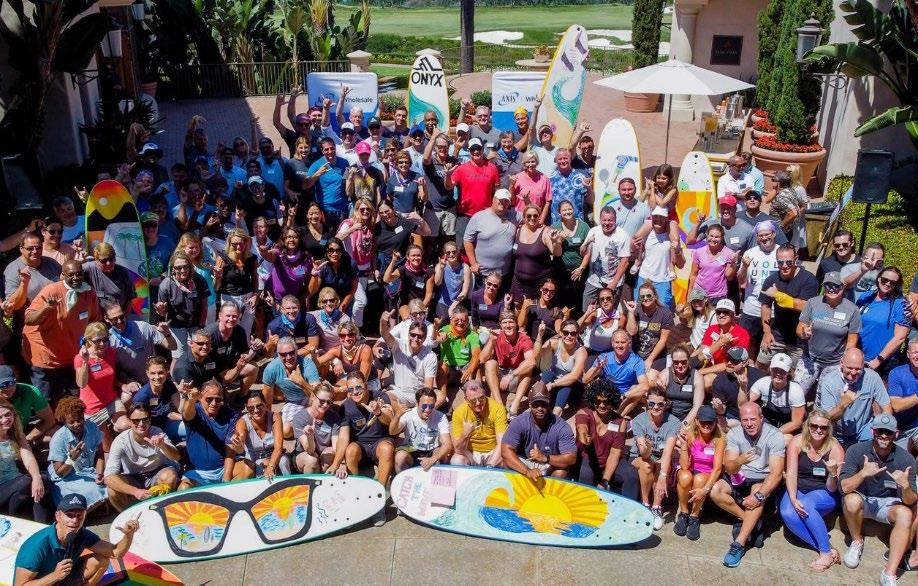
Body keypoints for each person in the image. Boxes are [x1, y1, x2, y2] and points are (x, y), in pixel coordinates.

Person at [840, 414, 916, 585]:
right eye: (879, 431)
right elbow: (844, 487)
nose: (883, 436)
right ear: (872, 431)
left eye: (888, 432)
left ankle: (889, 572)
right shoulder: (856, 450)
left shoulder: (906, 459)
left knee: (905, 514)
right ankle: (857, 541)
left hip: (888, 503)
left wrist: (905, 486)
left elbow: (911, 501)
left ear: (896, 434)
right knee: (850, 500)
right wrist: (863, 473)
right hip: (862, 499)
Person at [711, 402, 786, 568]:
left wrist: (759, 496)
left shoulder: (774, 436)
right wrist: (739, 460)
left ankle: (739, 543)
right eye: (745, 420)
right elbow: (730, 468)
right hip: (739, 475)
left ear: (761, 418)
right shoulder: (735, 434)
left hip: (762, 478)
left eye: (753, 419)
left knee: (756, 492)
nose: (749, 424)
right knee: (716, 490)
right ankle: (751, 522)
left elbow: (776, 473)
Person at [13, 493, 139, 586]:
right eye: (70, 515)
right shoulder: (37, 547)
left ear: (85, 516)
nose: (75, 521)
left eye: (79, 515)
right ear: (58, 516)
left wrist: (128, 535)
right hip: (44, 582)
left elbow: (115, 552)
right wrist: (54, 576)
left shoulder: (81, 534)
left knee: (101, 560)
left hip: (63, 577)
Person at [23, 260, 101, 400]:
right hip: (47, 356)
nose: (76, 278)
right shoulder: (51, 291)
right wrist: (46, 308)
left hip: (71, 355)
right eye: (71, 274)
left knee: (76, 398)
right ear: (63, 275)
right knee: (48, 401)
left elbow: (94, 322)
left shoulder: (89, 292)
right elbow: (29, 320)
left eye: (79, 274)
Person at [780, 410, 845, 572]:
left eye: (823, 427)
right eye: (814, 426)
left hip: (825, 492)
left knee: (807, 505)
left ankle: (825, 553)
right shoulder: (797, 442)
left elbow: (832, 487)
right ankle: (828, 549)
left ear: (828, 429)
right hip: (800, 488)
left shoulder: (835, 449)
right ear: (807, 426)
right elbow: (792, 473)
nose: (818, 430)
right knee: (788, 512)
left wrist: (832, 473)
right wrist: (793, 498)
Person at [102, 402, 180, 511]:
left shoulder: (157, 432)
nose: (141, 424)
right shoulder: (121, 441)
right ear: (129, 421)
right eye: (136, 421)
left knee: (170, 476)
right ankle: (129, 516)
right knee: (112, 490)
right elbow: (108, 477)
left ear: (150, 419)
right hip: (133, 477)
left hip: (156, 473)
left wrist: (163, 445)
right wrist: (135, 491)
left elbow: (176, 457)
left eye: (145, 419)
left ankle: (163, 509)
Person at [341, 371, 396, 524]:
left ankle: (378, 499)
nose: (355, 392)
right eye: (350, 389)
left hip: (380, 441)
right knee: (350, 450)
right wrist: (339, 462)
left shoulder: (380, 397)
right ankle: (357, 496)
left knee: (386, 448)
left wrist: (378, 412)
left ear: (366, 385)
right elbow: (344, 437)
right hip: (361, 445)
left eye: (358, 387)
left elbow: (390, 421)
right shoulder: (346, 406)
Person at [795, 271, 862, 396]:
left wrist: (844, 363)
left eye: (836, 285)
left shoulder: (853, 310)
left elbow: (852, 341)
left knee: (825, 397)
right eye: (827, 285)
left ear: (843, 287)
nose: (831, 289)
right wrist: (804, 333)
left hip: (834, 364)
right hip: (809, 359)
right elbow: (800, 329)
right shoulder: (812, 303)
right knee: (797, 394)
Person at [757, 244, 819, 370]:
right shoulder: (771, 280)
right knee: (761, 364)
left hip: (799, 338)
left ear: (796, 258)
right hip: (776, 334)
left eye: (789, 262)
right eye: (780, 263)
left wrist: (778, 296)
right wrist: (766, 332)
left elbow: (806, 306)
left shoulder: (809, 279)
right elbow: (765, 306)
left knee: (795, 372)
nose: (784, 266)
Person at [574, 379, 640, 497]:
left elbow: (615, 453)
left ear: (612, 401)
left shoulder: (620, 422)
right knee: (586, 474)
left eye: (606, 402)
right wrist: (583, 435)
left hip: (608, 463)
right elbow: (581, 426)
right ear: (592, 399)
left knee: (631, 473)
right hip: (587, 460)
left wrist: (605, 481)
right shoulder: (584, 412)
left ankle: (629, 506)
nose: (602, 405)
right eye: (598, 401)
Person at [816, 348, 892, 447]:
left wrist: (883, 431)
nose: (853, 372)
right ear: (841, 363)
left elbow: (887, 408)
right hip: (837, 432)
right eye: (849, 368)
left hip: (864, 429)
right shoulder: (829, 381)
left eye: (858, 369)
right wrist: (843, 405)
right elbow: (826, 418)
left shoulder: (873, 377)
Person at [500, 386, 577, 480]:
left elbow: (571, 458)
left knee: (561, 472)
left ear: (549, 404)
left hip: (548, 464)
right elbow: (506, 451)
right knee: (506, 462)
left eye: (543, 404)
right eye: (535, 405)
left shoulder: (562, 427)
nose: (540, 408)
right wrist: (527, 471)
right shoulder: (519, 422)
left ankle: (550, 489)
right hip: (525, 461)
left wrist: (545, 458)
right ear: (530, 405)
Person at [629, 389, 680, 530]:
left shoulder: (674, 422)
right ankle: (645, 504)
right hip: (640, 456)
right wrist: (648, 448)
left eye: (660, 404)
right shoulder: (639, 420)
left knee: (663, 466)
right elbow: (643, 454)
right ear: (647, 403)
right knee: (647, 465)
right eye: (651, 404)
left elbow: (668, 452)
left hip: (661, 456)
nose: (655, 407)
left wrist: (663, 476)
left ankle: (656, 507)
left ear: (666, 404)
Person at [674, 405, 724, 541]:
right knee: (685, 476)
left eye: (710, 422)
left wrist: (706, 489)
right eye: (703, 422)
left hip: (707, 473)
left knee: (700, 479)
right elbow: (684, 465)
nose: (707, 425)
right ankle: (684, 512)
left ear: (715, 422)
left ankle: (694, 516)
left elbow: (717, 469)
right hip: (691, 469)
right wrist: (684, 445)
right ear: (696, 421)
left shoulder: (719, 440)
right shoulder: (691, 435)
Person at [74, 322, 128, 450]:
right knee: (107, 446)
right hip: (93, 407)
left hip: (111, 401)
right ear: (88, 341)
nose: (103, 344)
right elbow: (81, 384)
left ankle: (115, 431)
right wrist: (85, 362)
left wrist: (125, 384)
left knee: (125, 425)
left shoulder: (110, 352)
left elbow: (117, 373)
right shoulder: (80, 358)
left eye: (105, 339)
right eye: (98, 341)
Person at [178, 380, 240, 489]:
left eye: (218, 399)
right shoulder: (195, 410)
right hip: (196, 473)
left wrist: (226, 481)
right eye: (209, 399)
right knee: (184, 488)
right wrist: (191, 400)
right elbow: (187, 415)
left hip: (222, 469)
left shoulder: (231, 415)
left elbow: (230, 451)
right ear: (200, 397)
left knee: (246, 469)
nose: (214, 403)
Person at [46, 397, 105, 511]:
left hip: (88, 472)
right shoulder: (58, 439)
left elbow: (100, 454)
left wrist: (100, 473)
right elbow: (60, 473)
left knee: (111, 482)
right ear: (64, 422)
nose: (77, 424)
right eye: (71, 422)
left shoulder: (92, 427)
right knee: (94, 491)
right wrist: (71, 459)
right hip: (67, 478)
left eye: (79, 420)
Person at [104, 303, 175, 391]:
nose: (119, 321)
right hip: (132, 383)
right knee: (126, 397)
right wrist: (128, 381)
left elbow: (172, 346)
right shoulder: (108, 340)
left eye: (121, 317)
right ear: (106, 319)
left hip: (154, 378)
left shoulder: (143, 327)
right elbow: (114, 368)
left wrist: (167, 333)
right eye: (114, 319)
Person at [154, 251, 209, 361]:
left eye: (185, 267)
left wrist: (201, 326)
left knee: (198, 353)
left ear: (190, 266)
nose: (183, 270)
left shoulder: (198, 280)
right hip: (177, 325)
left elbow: (204, 305)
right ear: (173, 268)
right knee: (178, 356)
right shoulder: (166, 285)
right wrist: (161, 311)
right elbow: (163, 313)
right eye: (178, 268)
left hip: (196, 324)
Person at [0, 399, 49, 522]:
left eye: (7, 414)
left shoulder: (16, 434)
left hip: (16, 481)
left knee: (42, 479)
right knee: (26, 481)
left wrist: (37, 477)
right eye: (0, 417)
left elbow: (28, 457)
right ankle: (12, 520)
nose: (5, 420)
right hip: (2, 488)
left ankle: (40, 525)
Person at [445, 137, 500, 245]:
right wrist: (447, 175)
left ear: (482, 149)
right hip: (465, 215)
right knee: (461, 246)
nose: (475, 151)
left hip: (485, 215)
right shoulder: (461, 169)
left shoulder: (492, 168)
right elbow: (449, 186)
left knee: (483, 246)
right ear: (469, 151)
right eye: (472, 149)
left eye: (478, 148)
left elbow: (496, 191)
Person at [736, 221, 779, 358]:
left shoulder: (781, 252)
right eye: (760, 235)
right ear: (756, 237)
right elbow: (741, 281)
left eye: (767, 234)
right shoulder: (750, 253)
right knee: (746, 343)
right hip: (752, 308)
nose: (764, 238)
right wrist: (744, 267)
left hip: (774, 310)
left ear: (774, 234)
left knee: (769, 346)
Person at [584, 330, 650, 416]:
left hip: (626, 395)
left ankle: (619, 417)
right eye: (617, 342)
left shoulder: (636, 361)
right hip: (608, 392)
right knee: (593, 384)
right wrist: (597, 368)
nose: (619, 345)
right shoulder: (604, 357)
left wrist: (624, 395)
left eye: (623, 342)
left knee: (637, 390)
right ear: (612, 344)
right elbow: (585, 380)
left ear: (629, 343)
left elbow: (645, 386)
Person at [262, 336, 320, 435]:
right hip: (294, 402)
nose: (288, 357)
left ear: (297, 351)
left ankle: (309, 423)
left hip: (312, 398)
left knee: (323, 407)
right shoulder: (271, 368)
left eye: (291, 353)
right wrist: (267, 418)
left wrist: (301, 382)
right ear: (278, 355)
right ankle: (305, 423)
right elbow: (267, 395)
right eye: (283, 355)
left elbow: (319, 394)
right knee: (286, 430)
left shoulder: (307, 363)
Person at [227, 390, 289, 482]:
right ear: (246, 408)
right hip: (255, 460)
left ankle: (288, 484)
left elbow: (279, 447)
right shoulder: (243, 422)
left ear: (265, 404)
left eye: (259, 406)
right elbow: (240, 442)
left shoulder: (274, 417)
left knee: (284, 461)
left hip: (274, 455)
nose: (256, 410)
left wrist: (270, 466)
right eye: (251, 408)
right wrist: (239, 445)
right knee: (262, 470)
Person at [856, 266, 910, 372]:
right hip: (859, 359)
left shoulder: (901, 304)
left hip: (882, 363)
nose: (888, 284)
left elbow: (900, 337)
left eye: (893, 282)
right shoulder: (865, 297)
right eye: (885, 280)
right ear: (879, 278)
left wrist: (879, 359)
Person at [380, 312, 437, 408]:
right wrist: (383, 322)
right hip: (398, 390)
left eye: (420, 336)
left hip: (416, 394)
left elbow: (428, 385)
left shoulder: (430, 356)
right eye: (413, 335)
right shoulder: (399, 345)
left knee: (385, 398)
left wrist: (422, 402)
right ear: (408, 334)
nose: (415, 338)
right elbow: (385, 335)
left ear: (424, 338)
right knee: (381, 397)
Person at [483, 311, 535, 414]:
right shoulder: (496, 336)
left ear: (516, 324)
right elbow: (482, 359)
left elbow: (532, 362)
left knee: (527, 366)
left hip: (515, 376)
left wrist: (511, 375)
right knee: (490, 363)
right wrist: (492, 340)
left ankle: (515, 404)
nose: (508, 325)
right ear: (500, 325)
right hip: (500, 377)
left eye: (511, 322)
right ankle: (499, 404)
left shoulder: (524, 339)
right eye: (505, 322)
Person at [580, 206, 631, 312]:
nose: (607, 223)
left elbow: (624, 262)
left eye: (610, 220)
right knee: (587, 311)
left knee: (609, 313)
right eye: (604, 220)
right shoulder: (593, 231)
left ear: (615, 220)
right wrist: (586, 244)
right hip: (594, 280)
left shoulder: (622, 235)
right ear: (600, 219)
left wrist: (613, 283)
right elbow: (583, 253)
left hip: (613, 282)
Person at [391, 388, 453, 473]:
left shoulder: (440, 416)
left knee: (442, 454)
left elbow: (447, 444)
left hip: (432, 449)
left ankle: (438, 479)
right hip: (412, 449)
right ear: (417, 403)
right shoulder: (408, 414)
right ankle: (403, 480)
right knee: (400, 457)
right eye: (424, 406)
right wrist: (397, 416)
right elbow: (392, 432)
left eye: (431, 406)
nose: (427, 410)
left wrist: (432, 459)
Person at [291, 383, 348, 476]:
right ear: (313, 397)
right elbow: (309, 450)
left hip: (323, 455)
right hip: (304, 455)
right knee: (312, 460)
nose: (325, 405)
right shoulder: (300, 418)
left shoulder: (333, 417)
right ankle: (309, 483)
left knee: (329, 454)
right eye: (322, 401)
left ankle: (325, 480)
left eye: (329, 402)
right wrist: (310, 436)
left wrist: (342, 464)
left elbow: (336, 446)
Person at [633, 207, 684, 309]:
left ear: (666, 218)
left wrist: (678, 251)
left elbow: (681, 264)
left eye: (661, 217)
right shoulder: (647, 233)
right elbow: (636, 251)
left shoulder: (672, 236)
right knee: (640, 308)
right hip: (644, 277)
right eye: (655, 216)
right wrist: (635, 252)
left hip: (663, 280)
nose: (658, 219)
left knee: (664, 310)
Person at [463, 189, 517, 283]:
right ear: (493, 199)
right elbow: (467, 240)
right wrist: (473, 263)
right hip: (483, 274)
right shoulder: (478, 217)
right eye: (500, 200)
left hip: (504, 274)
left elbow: (531, 216)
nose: (503, 203)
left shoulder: (515, 215)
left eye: (506, 201)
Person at [749, 353, 806, 441]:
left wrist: (773, 434)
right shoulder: (762, 383)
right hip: (768, 422)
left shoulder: (795, 391)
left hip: (787, 427)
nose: (778, 374)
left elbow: (797, 423)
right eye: (775, 370)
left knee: (786, 439)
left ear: (788, 372)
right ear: (770, 369)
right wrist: (742, 388)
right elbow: (746, 404)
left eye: (783, 371)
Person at [510, 205, 562, 301]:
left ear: (539, 216)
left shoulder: (545, 231)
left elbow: (557, 253)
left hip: (538, 284)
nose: (532, 218)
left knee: (536, 309)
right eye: (529, 216)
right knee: (517, 306)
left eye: (535, 215)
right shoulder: (519, 229)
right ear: (524, 217)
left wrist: (555, 242)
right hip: (518, 282)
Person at [536, 320, 587, 416]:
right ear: (560, 333)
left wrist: (552, 385)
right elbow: (537, 356)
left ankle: (556, 413)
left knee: (567, 383)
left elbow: (574, 376)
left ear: (577, 335)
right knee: (548, 373)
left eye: (573, 333)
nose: (569, 336)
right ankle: (537, 401)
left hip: (573, 388)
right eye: (566, 332)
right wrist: (539, 336)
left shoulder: (581, 351)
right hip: (554, 383)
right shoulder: (554, 343)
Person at [450, 380, 506, 467]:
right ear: (466, 399)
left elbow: (501, 443)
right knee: (456, 460)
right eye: (473, 401)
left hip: (492, 452)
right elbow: (458, 450)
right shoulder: (459, 412)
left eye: (481, 398)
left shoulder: (497, 408)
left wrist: (490, 466)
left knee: (506, 459)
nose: (478, 403)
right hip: (471, 453)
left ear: (485, 393)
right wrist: (465, 434)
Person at [695, 299, 751, 384]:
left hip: (730, 370)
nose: (721, 315)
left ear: (733, 314)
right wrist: (719, 343)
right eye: (718, 312)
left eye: (726, 312)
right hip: (709, 366)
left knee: (706, 380)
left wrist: (700, 372)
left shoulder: (742, 334)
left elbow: (733, 364)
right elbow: (702, 354)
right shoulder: (712, 329)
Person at [435, 307, 481, 408]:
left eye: (463, 320)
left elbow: (476, 353)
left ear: (468, 321)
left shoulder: (472, 335)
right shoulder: (446, 329)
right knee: (442, 365)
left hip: (465, 369)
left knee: (476, 367)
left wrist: (470, 369)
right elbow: (439, 337)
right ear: (451, 320)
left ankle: (475, 398)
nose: (460, 322)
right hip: (449, 371)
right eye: (457, 320)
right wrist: (440, 336)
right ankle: (442, 398)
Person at [133, 356, 185, 443]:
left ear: (167, 371)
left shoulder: (169, 384)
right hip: (152, 431)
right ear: (147, 373)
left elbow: (181, 409)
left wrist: (183, 394)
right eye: (153, 373)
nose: (157, 377)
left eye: (160, 373)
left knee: (193, 427)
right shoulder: (141, 398)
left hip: (168, 423)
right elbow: (139, 424)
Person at [710, 347, 766, 428]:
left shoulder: (759, 377)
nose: (729, 363)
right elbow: (722, 411)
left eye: (734, 361)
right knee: (721, 423)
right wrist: (719, 407)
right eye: (727, 359)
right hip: (732, 415)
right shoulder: (719, 380)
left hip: (754, 414)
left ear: (745, 362)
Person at [625, 282, 674, 374]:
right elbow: (631, 332)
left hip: (657, 355)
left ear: (655, 296)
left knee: (651, 378)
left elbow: (663, 340)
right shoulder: (636, 309)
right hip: (636, 353)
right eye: (642, 296)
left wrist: (649, 360)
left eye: (649, 296)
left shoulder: (665, 313)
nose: (645, 298)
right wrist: (631, 312)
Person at [0, 368, 55, 449]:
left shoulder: (29, 391)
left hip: (22, 432)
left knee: (57, 431)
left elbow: (49, 420)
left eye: (11, 383)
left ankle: (25, 446)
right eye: (2, 385)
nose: (8, 388)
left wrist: (26, 439)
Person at [552, 199, 590, 310]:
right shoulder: (555, 227)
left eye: (569, 209)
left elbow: (588, 252)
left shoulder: (584, 227)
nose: (567, 212)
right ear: (559, 213)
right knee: (561, 300)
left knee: (576, 301)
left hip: (578, 271)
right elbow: (555, 253)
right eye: (564, 210)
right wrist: (559, 241)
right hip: (561, 271)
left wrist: (581, 269)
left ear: (573, 210)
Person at [305, 138, 350, 230]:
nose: (330, 151)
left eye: (332, 148)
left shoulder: (344, 163)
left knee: (342, 236)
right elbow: (306, 185)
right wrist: (317, 174)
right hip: (325, 211)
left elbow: (348, 182)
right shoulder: (317, 165)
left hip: (342, 209)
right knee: (327, 237)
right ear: (322, 151)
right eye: (326, 149)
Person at [654, 343, 704, 424]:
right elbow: (657, 401)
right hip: (667, 416)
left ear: (688, 359)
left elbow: (697, 406)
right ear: (672, 361)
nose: (680, 365)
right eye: (676, 362)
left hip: (688, 417)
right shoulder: (665, 374)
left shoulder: (697, 377)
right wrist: (660, 389)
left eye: (683, 362)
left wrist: (684, 424)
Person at [687, 223, 736, 303]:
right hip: (699, 294)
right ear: (707, 235)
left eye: (717, 237)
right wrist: (689, 296)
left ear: (722, 238)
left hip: (718, 295)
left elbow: (729, 277)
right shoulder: (698, 252)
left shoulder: (729, 253)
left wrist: (734, 263)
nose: (713, 239)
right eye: (711, 236)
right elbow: (693, 275)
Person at [82, 244, 136, 313]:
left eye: (111, 259)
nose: (108, 263)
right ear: (96, 260)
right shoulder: (87, 269)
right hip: (95, 317)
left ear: (115, 258)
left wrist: (124, 317)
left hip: (117, 316)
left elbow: (130, 299)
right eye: (103, 260)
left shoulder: (123, 272)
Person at [888, 338, 918, 448]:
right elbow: (896, 406)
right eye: (915, 352)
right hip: (902, 430)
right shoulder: (897, 374)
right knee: (899, 457)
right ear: (908, 354)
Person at [548, 149, 589, 225]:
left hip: (576, 222)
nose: (563, 161)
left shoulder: (580, 177)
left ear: (570, 159)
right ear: (556, 161)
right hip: (557, 223)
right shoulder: (551, 179)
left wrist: (589, 188)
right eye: (560, 159)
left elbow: (590, 201)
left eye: (565, 158)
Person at [509, 152, 552, 223]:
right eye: (528, 162)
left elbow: (548, 202)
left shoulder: (544, 179)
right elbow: (512, 202)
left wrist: (542, 219)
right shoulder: (517, 178)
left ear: (537, 162)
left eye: (533, 161)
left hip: (535, 218)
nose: (530, 164)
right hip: (519, 218)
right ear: (524, 164)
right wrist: (511, 185)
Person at [433, 241, 471, 320]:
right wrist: (441, 269)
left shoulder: (465, 267)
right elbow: (437, 283)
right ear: (445, 254)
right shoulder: (440, 265)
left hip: (457, 301)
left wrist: (453, 305)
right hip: (442, 301)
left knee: (458, 319)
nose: (451, 254)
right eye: (448, 252)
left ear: (458, 252)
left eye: (454, 252)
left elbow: (464, 292)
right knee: (443, 319)